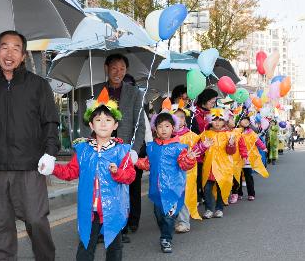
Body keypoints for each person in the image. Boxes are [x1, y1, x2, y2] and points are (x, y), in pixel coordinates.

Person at [0, 30, 59, 260]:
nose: (10, 53)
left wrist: (50, 153)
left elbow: (50, 122)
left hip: (30, 166)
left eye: (16, 48)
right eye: (4, 47)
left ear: (23, 55)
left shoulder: (38, 85)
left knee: (36, 220)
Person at [49, 88, 136, 261]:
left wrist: (117, 172)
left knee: (114, 247)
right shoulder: (83, 150)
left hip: (113, 209)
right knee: (85, 246)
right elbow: (70, 171)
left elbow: (130, 176)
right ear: (91, 124)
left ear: (115, 125)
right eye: (98, 120)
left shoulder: (121, 151)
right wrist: (52, 168)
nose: (103, 124)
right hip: (91, 210)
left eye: (108, 120)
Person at [80, 53, 146, 242]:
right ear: (106, 68)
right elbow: (88, 123)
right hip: (102, 148)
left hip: (124, 148)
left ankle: (123, 228)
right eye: (114, 68)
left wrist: (134, 149)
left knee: (126, 189)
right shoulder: (97, 92)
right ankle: (102, 227)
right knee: (102, 188)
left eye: (122, 69)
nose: (118, 72)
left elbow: (139, 125)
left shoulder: (135, 93)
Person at [136, 105, 198, 253]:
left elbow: (184, 165)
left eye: (167, 126)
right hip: (157, 190)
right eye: (160, 126)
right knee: (159, 216)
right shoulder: (151, 147)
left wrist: (189, 159)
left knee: (169, 217)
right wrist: (134, 160)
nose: (163, 129)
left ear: (173, 128)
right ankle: (165, 231)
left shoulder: (179, 147)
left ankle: (166, 239)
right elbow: (147, 164)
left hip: (174, 190)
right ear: (155, 129)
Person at [172, 107, 212, 233]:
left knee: (184, 196)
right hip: (170, 172)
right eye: (175, 116)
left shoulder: (191, 136)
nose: (179, 119)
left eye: (182, 117)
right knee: (171, 196)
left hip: (187, 172)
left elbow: (196, 151)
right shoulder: (165, 135)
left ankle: (183, 222)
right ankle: (171, 220)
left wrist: (203, 146)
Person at [199, 108, 236, 219]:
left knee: (221, 187)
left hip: (223, 167)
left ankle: (219, 208)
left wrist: (231, 144)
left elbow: (231, 152)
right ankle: (209, 209)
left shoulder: (229, 135)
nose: (217, 122)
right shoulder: (205, 134)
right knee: (207, 188)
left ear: (224, 121)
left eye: (220, 120)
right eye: (215, 120)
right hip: (209, 166)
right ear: (210, 121)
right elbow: (200, 150)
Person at [232, 115, 269, 201]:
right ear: (239, 121)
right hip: (237, 157)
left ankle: (251, 193)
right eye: (243, 120)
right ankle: (238, 193)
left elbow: (258, 141)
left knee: (248, 176)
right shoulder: (235, 132)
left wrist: (264, 147)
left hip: (247, 157)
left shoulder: (251, 132)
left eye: (247, 121)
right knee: (237, 176)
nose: (245, 122)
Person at [193, 88, 219, 204]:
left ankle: (206, 195)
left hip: (211, 149)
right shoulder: (195, 112)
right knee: (198, 173)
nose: (213, 105)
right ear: (205, 99)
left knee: (208, 173)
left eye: (214, 102)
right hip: (198, 148)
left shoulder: (213, 113)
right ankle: (199, 195)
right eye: (212, 102)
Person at [227, 113, 248, 204]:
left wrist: (244, 155)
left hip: (236, 160)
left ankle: (235, 193)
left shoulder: (238, 133)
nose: (231, 121)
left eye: (232, 119)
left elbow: (242, 145)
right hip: (225, 160)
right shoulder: (222, 133)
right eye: (229, 119)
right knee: (227, 177)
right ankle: (225, 194)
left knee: (236, 177)